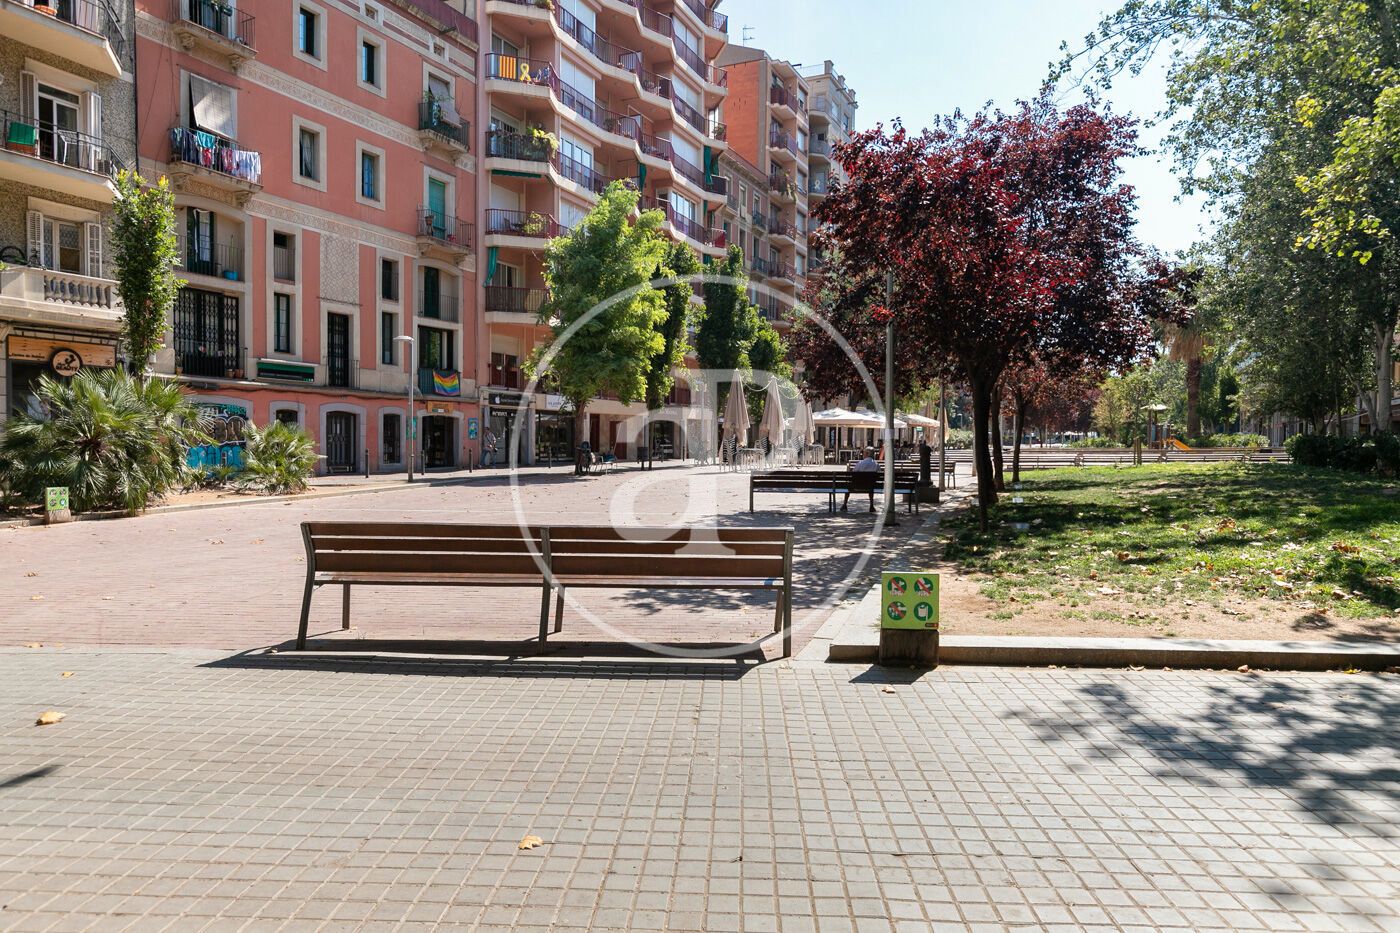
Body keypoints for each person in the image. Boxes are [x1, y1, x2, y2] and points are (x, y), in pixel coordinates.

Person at [842, 447, 881, 512]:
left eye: (864, 453)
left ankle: (844, 505)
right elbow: (879, 475)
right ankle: (871, 506)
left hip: (857, 486)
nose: (863, 454)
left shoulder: (860, 463)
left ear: (867, 454)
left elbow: (853, 474)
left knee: (848, 485)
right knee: (871, 486)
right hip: (871, 487)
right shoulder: (876, 464)